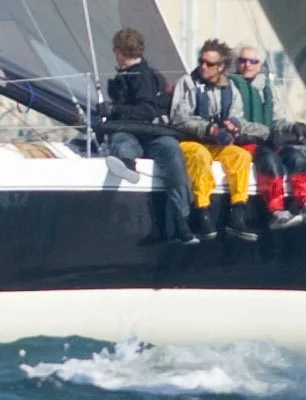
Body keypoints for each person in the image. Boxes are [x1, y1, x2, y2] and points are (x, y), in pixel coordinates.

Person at [100, 26, 195, 246]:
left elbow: (147, 110)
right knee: (128, 142)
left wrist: (114, 112)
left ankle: (181, 218)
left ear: (121, 52)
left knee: (163, 151)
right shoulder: (128, 75)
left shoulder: (141, 76)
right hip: (142, 132)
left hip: (149, 131)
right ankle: (127, 165)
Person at [226, 43, 306, 228]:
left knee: (298, 158)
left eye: (253, 61)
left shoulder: (267, 89)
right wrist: (267, 133)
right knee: (270, 161)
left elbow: (278, 118)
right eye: (243, 61)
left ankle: (305, 202)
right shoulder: (230, 88)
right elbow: (235, 120)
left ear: (259, 65)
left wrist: (293, 127)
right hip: (244, 141)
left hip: (269, 140)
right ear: (236, 64)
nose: (247, 65)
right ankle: (277, 211)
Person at [169, 40, 255, 237]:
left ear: (221, 67)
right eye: (201, 61)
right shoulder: (188, 83)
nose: (203, 67)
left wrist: (232, 126)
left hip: (217, 144)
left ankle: (238, 213)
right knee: (200, 156)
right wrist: (210, 129)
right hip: (190, 141)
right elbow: (179, 119)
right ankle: (201, 211)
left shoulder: (230, 89)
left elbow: (237, 115)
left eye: (209, 64)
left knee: (241, 156)